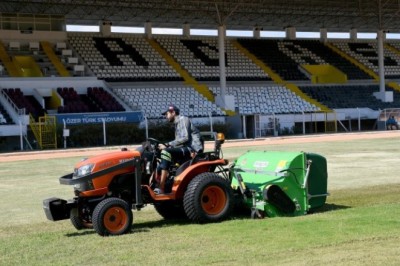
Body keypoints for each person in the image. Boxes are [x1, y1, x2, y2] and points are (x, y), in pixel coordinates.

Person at [154, 104, 204, 194]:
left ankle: (161, 187)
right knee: (158, 154)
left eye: (167, 114)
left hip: (192, 149)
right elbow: (178, 142)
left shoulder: (183, 120)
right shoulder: (177, 124)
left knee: (166, 151)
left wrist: (167, 145)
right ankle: (159, 181)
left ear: (173, 112)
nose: (166, 116)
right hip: (185, 148)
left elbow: (185, 138)